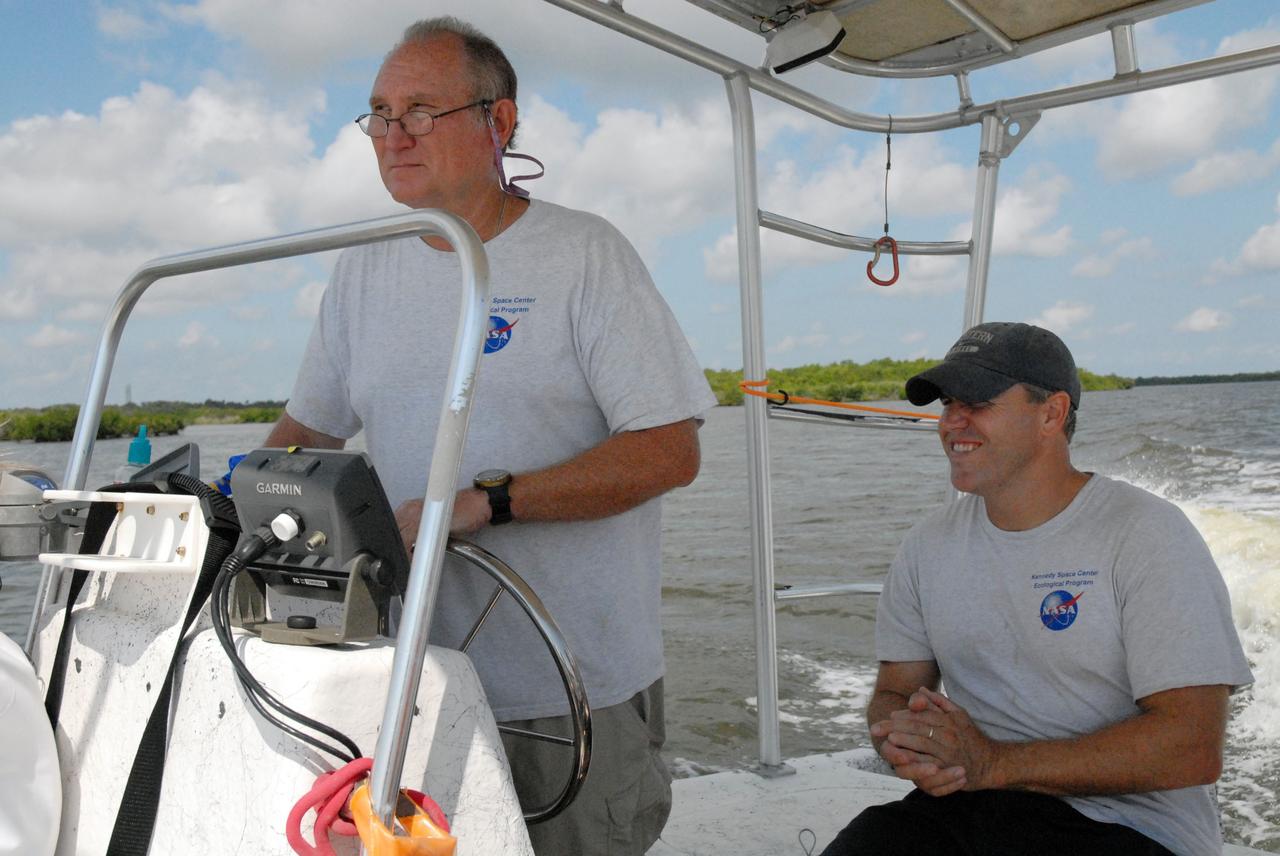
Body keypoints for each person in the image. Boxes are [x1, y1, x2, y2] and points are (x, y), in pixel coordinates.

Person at [265, 17, 716, 855]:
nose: (393, 135)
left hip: (569, 685)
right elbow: (307, 432)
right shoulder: (363, 267)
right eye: (379, 113)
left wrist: (486, 503)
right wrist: (224, 503)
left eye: (422, 111)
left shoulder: (585, 256)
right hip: (411, 677)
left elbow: (668, 449)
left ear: (499, 123)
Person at [820, 322, 1253, 856]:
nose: (952, 422)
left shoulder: (1146, 535)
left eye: (975, 402)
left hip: (1129, 825)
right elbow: (895, 690)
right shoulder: (927, 546)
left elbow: (1191, 748)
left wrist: (993, 763)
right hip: (972, 804)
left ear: (1051, 413)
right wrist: (909, 744)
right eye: (948, 403)